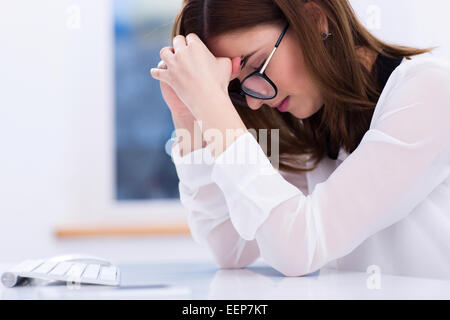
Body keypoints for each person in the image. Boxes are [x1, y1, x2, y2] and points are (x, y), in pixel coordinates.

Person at [150, 0, 450, 279]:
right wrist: (188, 116)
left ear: (314, 18)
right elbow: (231, 248)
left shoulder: (430, 90)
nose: (254, 103)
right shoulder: (311, 119)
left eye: (256, 66)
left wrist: (210, 103)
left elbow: (298, 249)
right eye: (235, 87)